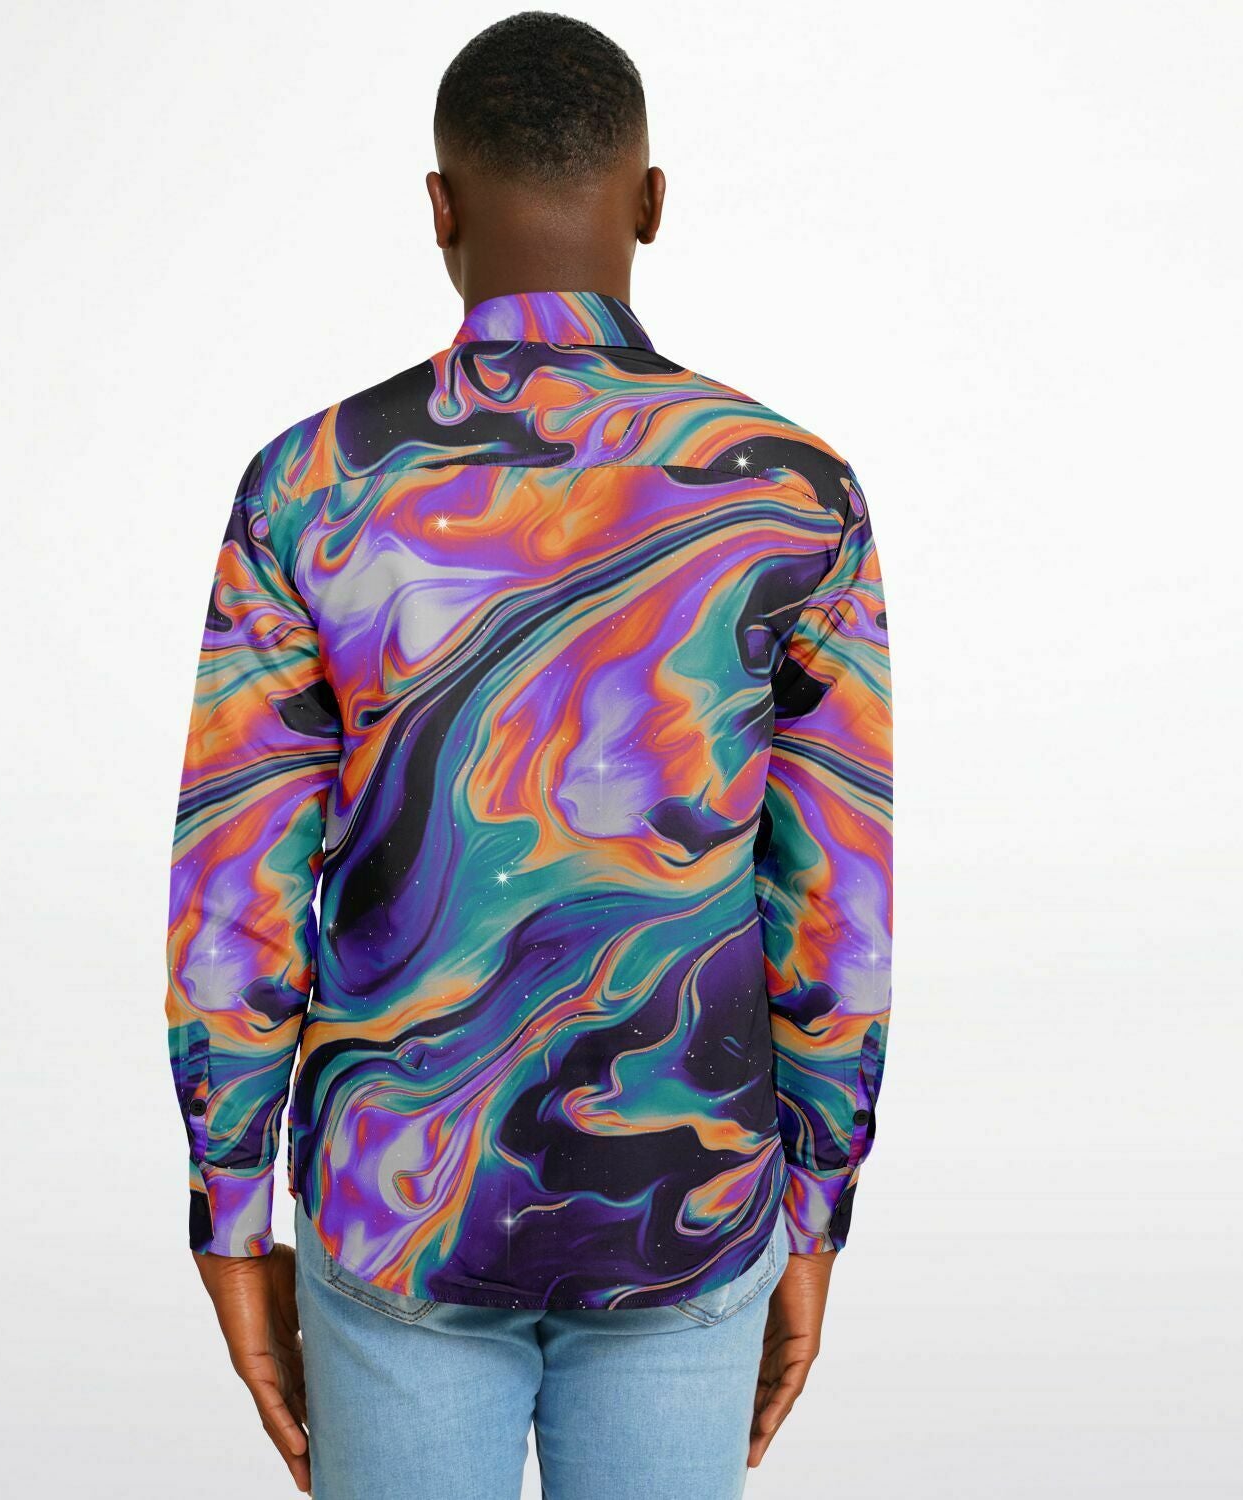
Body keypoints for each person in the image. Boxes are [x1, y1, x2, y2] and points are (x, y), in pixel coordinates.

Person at [163, 12, 893, 1498]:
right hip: (688, 1200)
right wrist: (816, 1204)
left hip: (398, 1205)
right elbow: (838, 906)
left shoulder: (311, 490)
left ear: (439, 208)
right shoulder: (793, 494)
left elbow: (233, 900)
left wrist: (232, 1218)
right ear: (651, 202)